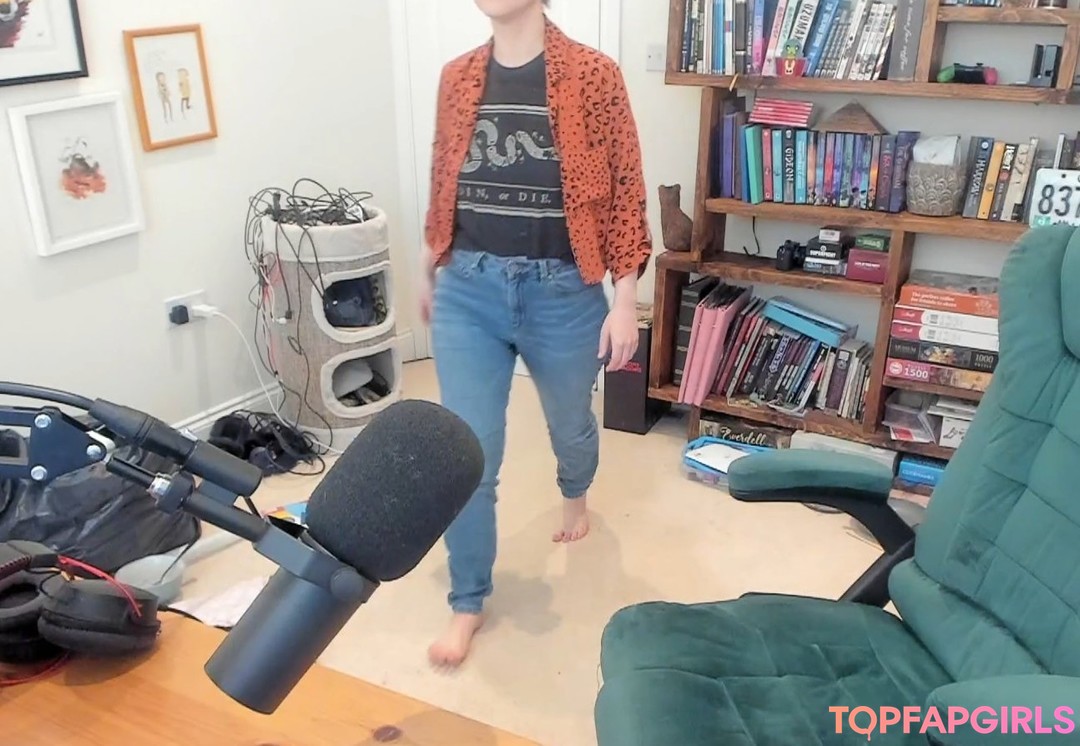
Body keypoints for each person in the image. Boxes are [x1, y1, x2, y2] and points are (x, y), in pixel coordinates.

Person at [420, 0, 651, 667]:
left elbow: (625, 187)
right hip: (469, 288)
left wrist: (625, 298)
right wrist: (428, 263)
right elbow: (445, 174)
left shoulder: (593, 74)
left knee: (570, 422)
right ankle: (468, 600)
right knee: (469, 453)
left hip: (563, 292)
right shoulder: (457, 76)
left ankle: (575, 492)